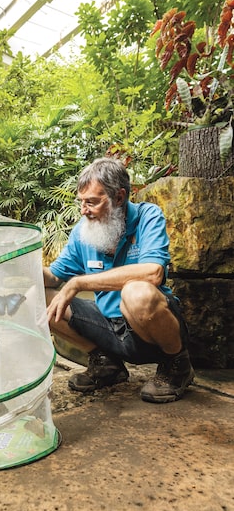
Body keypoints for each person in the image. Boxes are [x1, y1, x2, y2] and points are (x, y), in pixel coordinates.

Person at [44, 157, 194, 403]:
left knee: (136, 292)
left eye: (92, 202)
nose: (84, 210)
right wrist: (18, 263)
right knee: (37, 297)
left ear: (119, 197)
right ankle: (106, 365)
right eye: (81, 202)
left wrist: (79, 283)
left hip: (149, 330)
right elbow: (53, 276)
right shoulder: (82, 232)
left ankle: (176, 365)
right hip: (108, 328)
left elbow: (153, 272)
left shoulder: (148, 216)